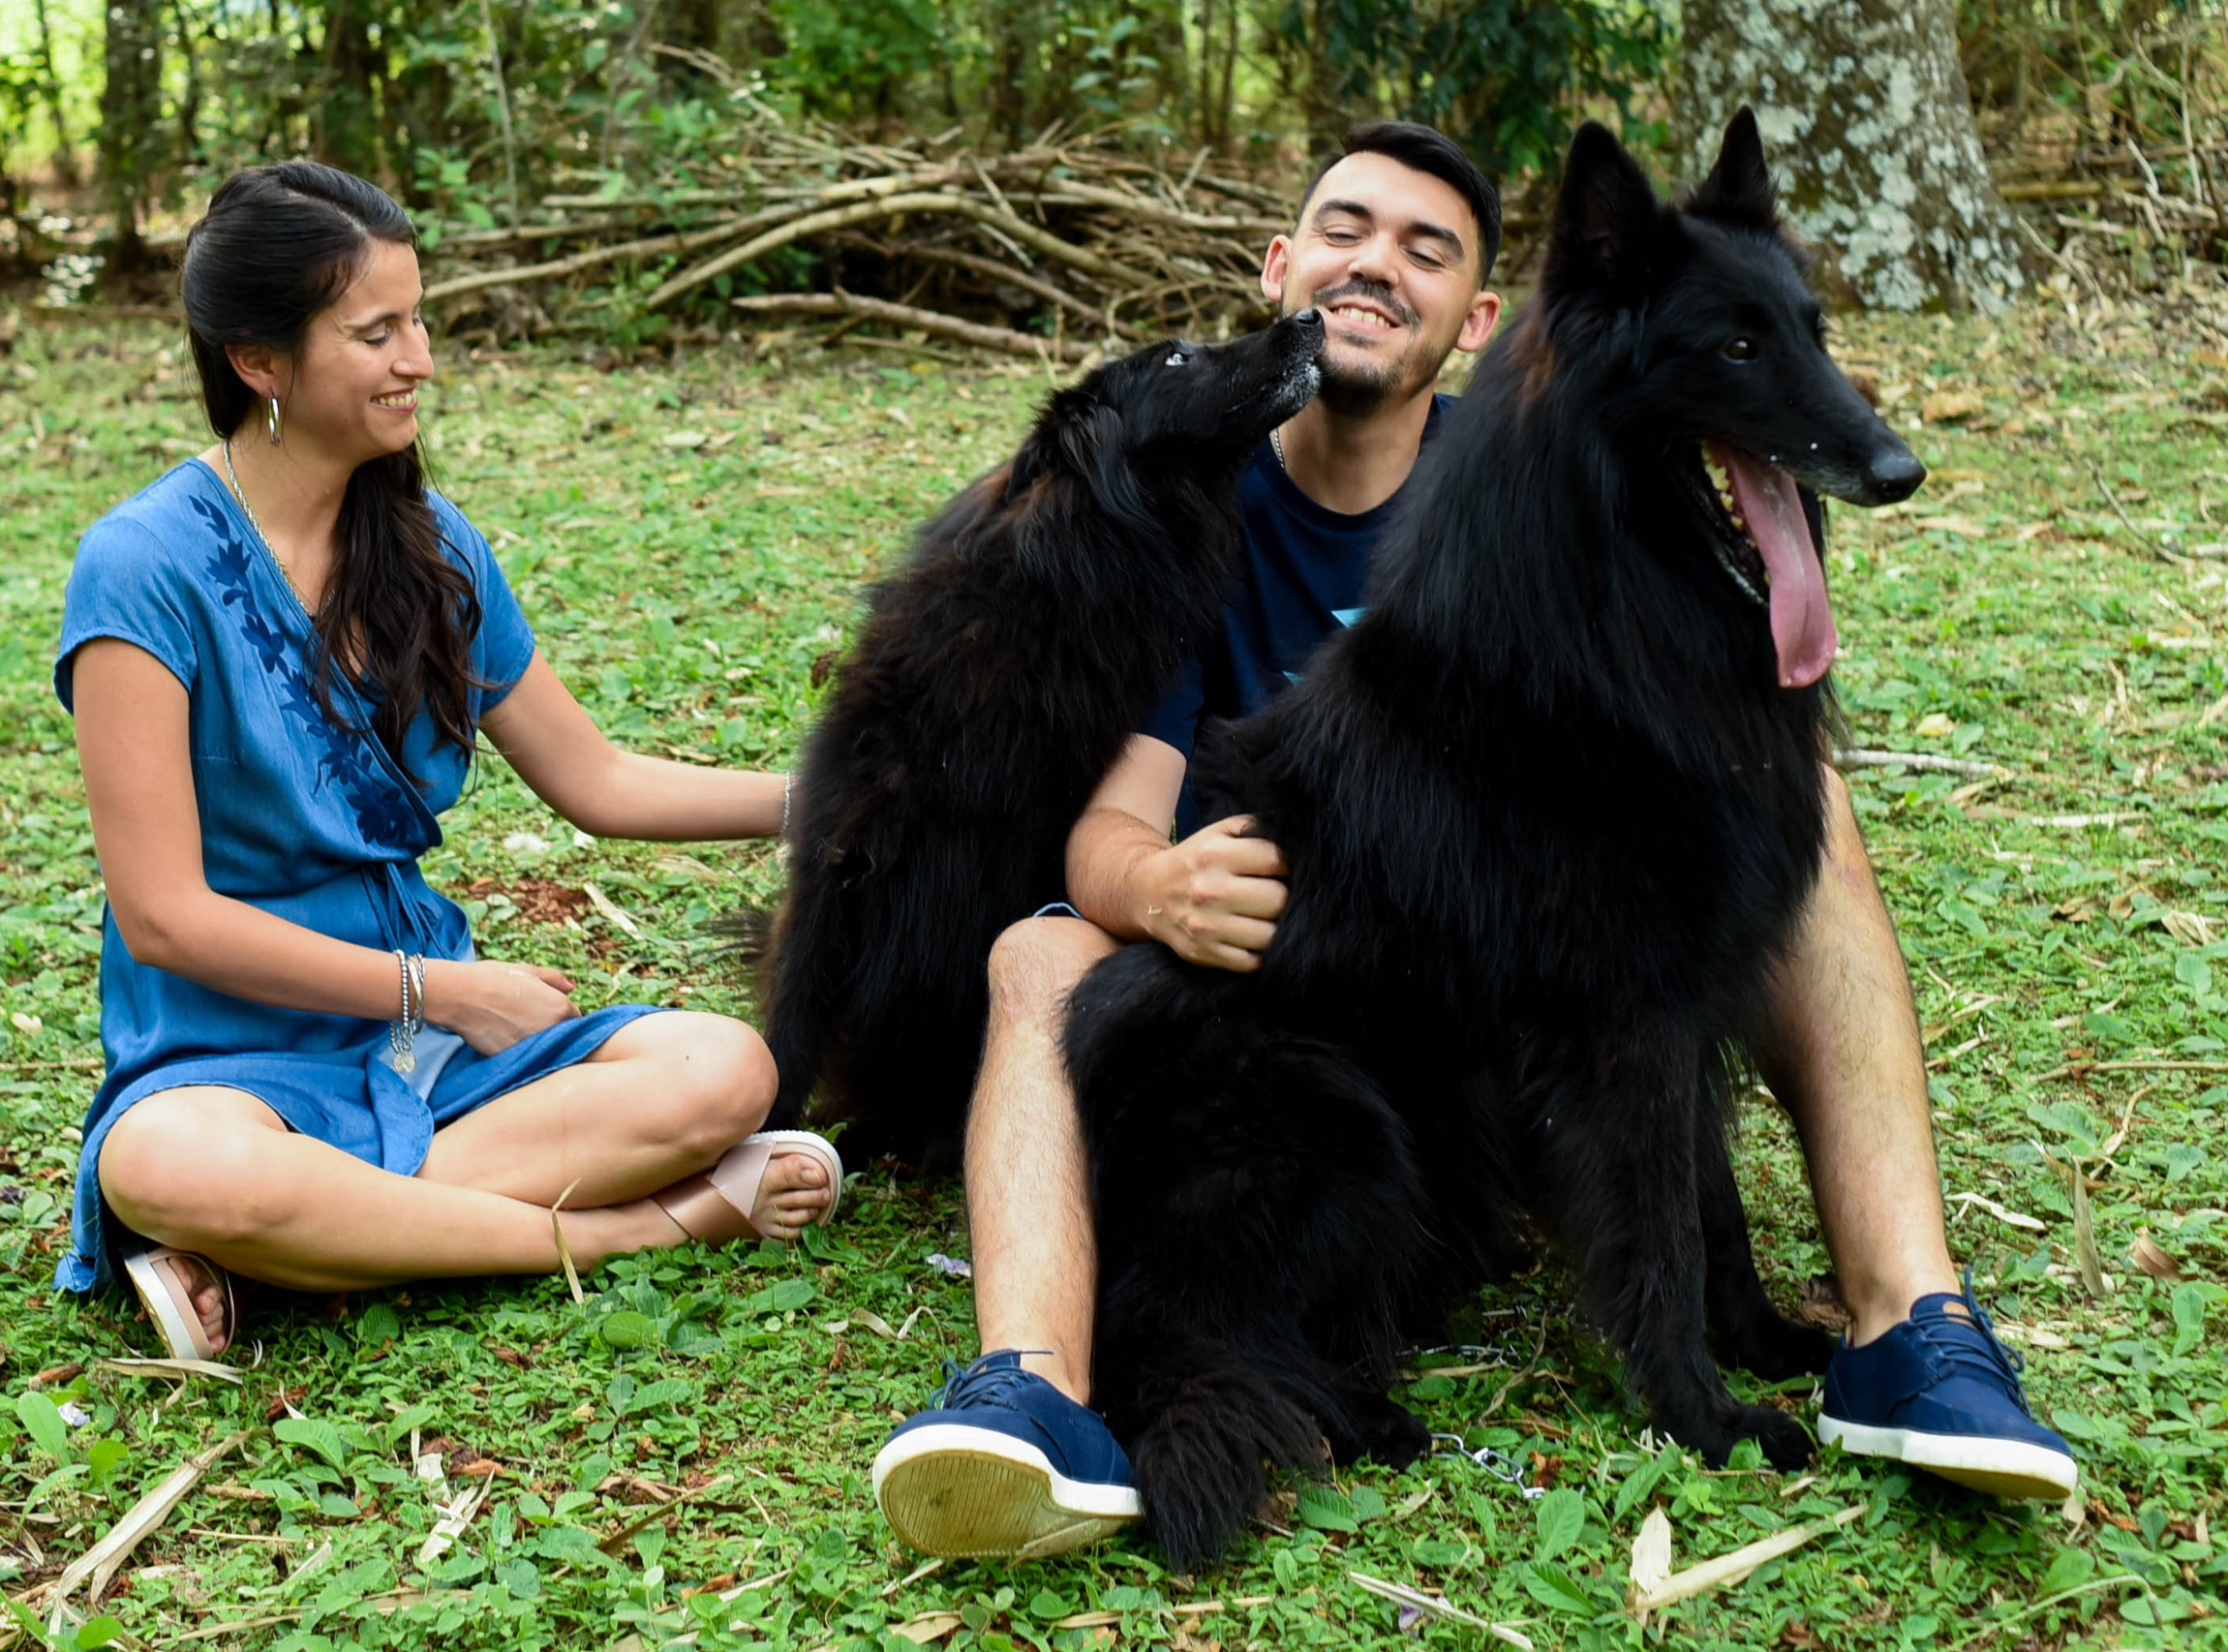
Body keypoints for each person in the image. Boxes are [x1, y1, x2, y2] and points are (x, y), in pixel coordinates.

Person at [870, 122, 2075, 1561]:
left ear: (1488, 321)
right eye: (1345, 228)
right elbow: (1108, 823)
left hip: (1466, 1003)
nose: (1377, 263)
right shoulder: (1184, 485)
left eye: (1426, 247)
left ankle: (1913, 1317)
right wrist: (1163, 885)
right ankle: (1040, 1389)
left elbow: (1635, 965)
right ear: (1281, 263)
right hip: (1246, 956)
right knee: (1039, 947)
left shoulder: (1536, 469)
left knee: (1804, 818)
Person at [54, 161, 840, 1360]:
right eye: (376, 332)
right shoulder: (141, 566)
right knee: (169, 1159)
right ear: (260, 363)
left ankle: (283, 1248)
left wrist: (832, 802)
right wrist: (444, 988)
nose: (420, 358)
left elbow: (600, 781)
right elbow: (164, 917)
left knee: (723, 1067)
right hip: (232, 1057)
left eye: (418, 320)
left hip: (429, 1060)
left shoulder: (433, 548)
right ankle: (653, 1228)